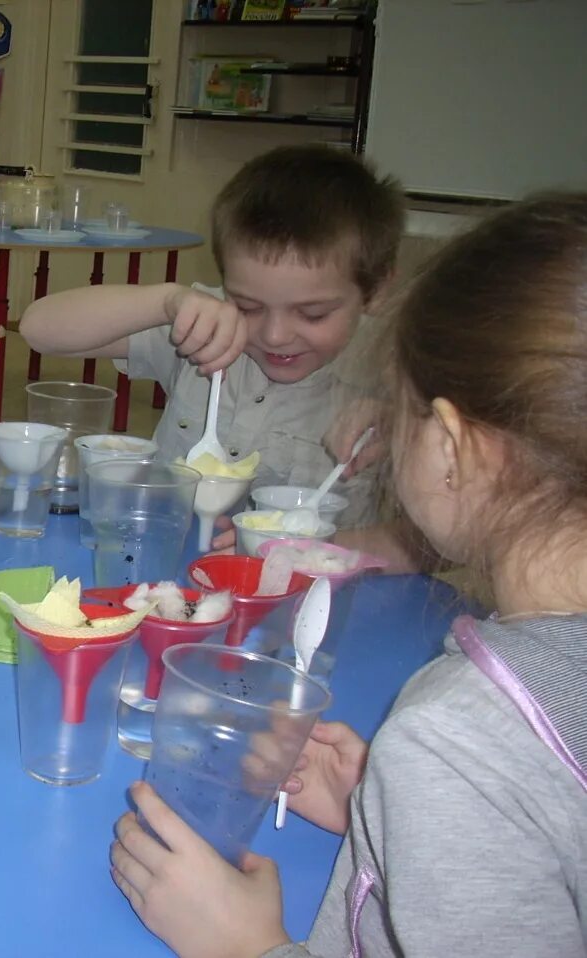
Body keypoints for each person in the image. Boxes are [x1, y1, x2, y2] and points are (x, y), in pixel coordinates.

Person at [109, 193, 587, 957]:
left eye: (402, 413)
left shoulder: (459, 741)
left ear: (455, 446)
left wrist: (246, 946)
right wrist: (390, 815)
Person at [18, 144, 403, 534]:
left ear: (374, 290)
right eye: (248, 305)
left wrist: (402, 422)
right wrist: (166, 301)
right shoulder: (206, 327)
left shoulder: (391, 373)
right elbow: (39, 329)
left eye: (313, 313)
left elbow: (436, 544)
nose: (275, 335)